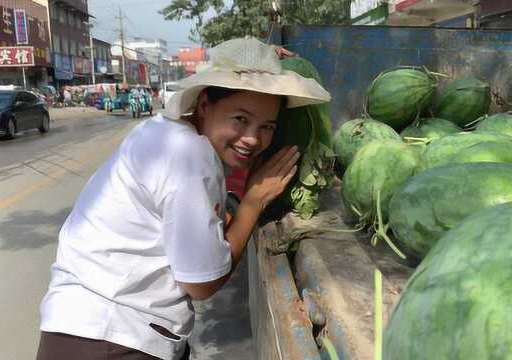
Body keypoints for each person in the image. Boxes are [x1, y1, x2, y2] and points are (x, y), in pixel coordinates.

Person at [35, 37, 330, 360]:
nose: (252, 139)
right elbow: (201, 284)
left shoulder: (166, 132)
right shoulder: (188, 154)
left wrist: (261, 63)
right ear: (204, 105)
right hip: (111, 340)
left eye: (267, 126)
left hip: (85, 332)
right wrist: (254, 201)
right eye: (241, 119)